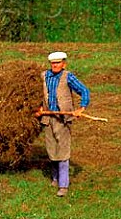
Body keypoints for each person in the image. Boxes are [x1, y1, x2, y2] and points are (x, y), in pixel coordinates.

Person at [35, 51, 90, 197]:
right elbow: (35, 94)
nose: (55, 65)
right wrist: (38, 109)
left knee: (63, 151)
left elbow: (84, 90)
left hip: (63, 119)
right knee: (51, 149)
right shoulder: (44, 76)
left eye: (58, 63)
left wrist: (81, 108)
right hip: (47, 118)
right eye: (53, 63)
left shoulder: (68, 77)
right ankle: (55, 178)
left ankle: (63, 186)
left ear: (63, 64)